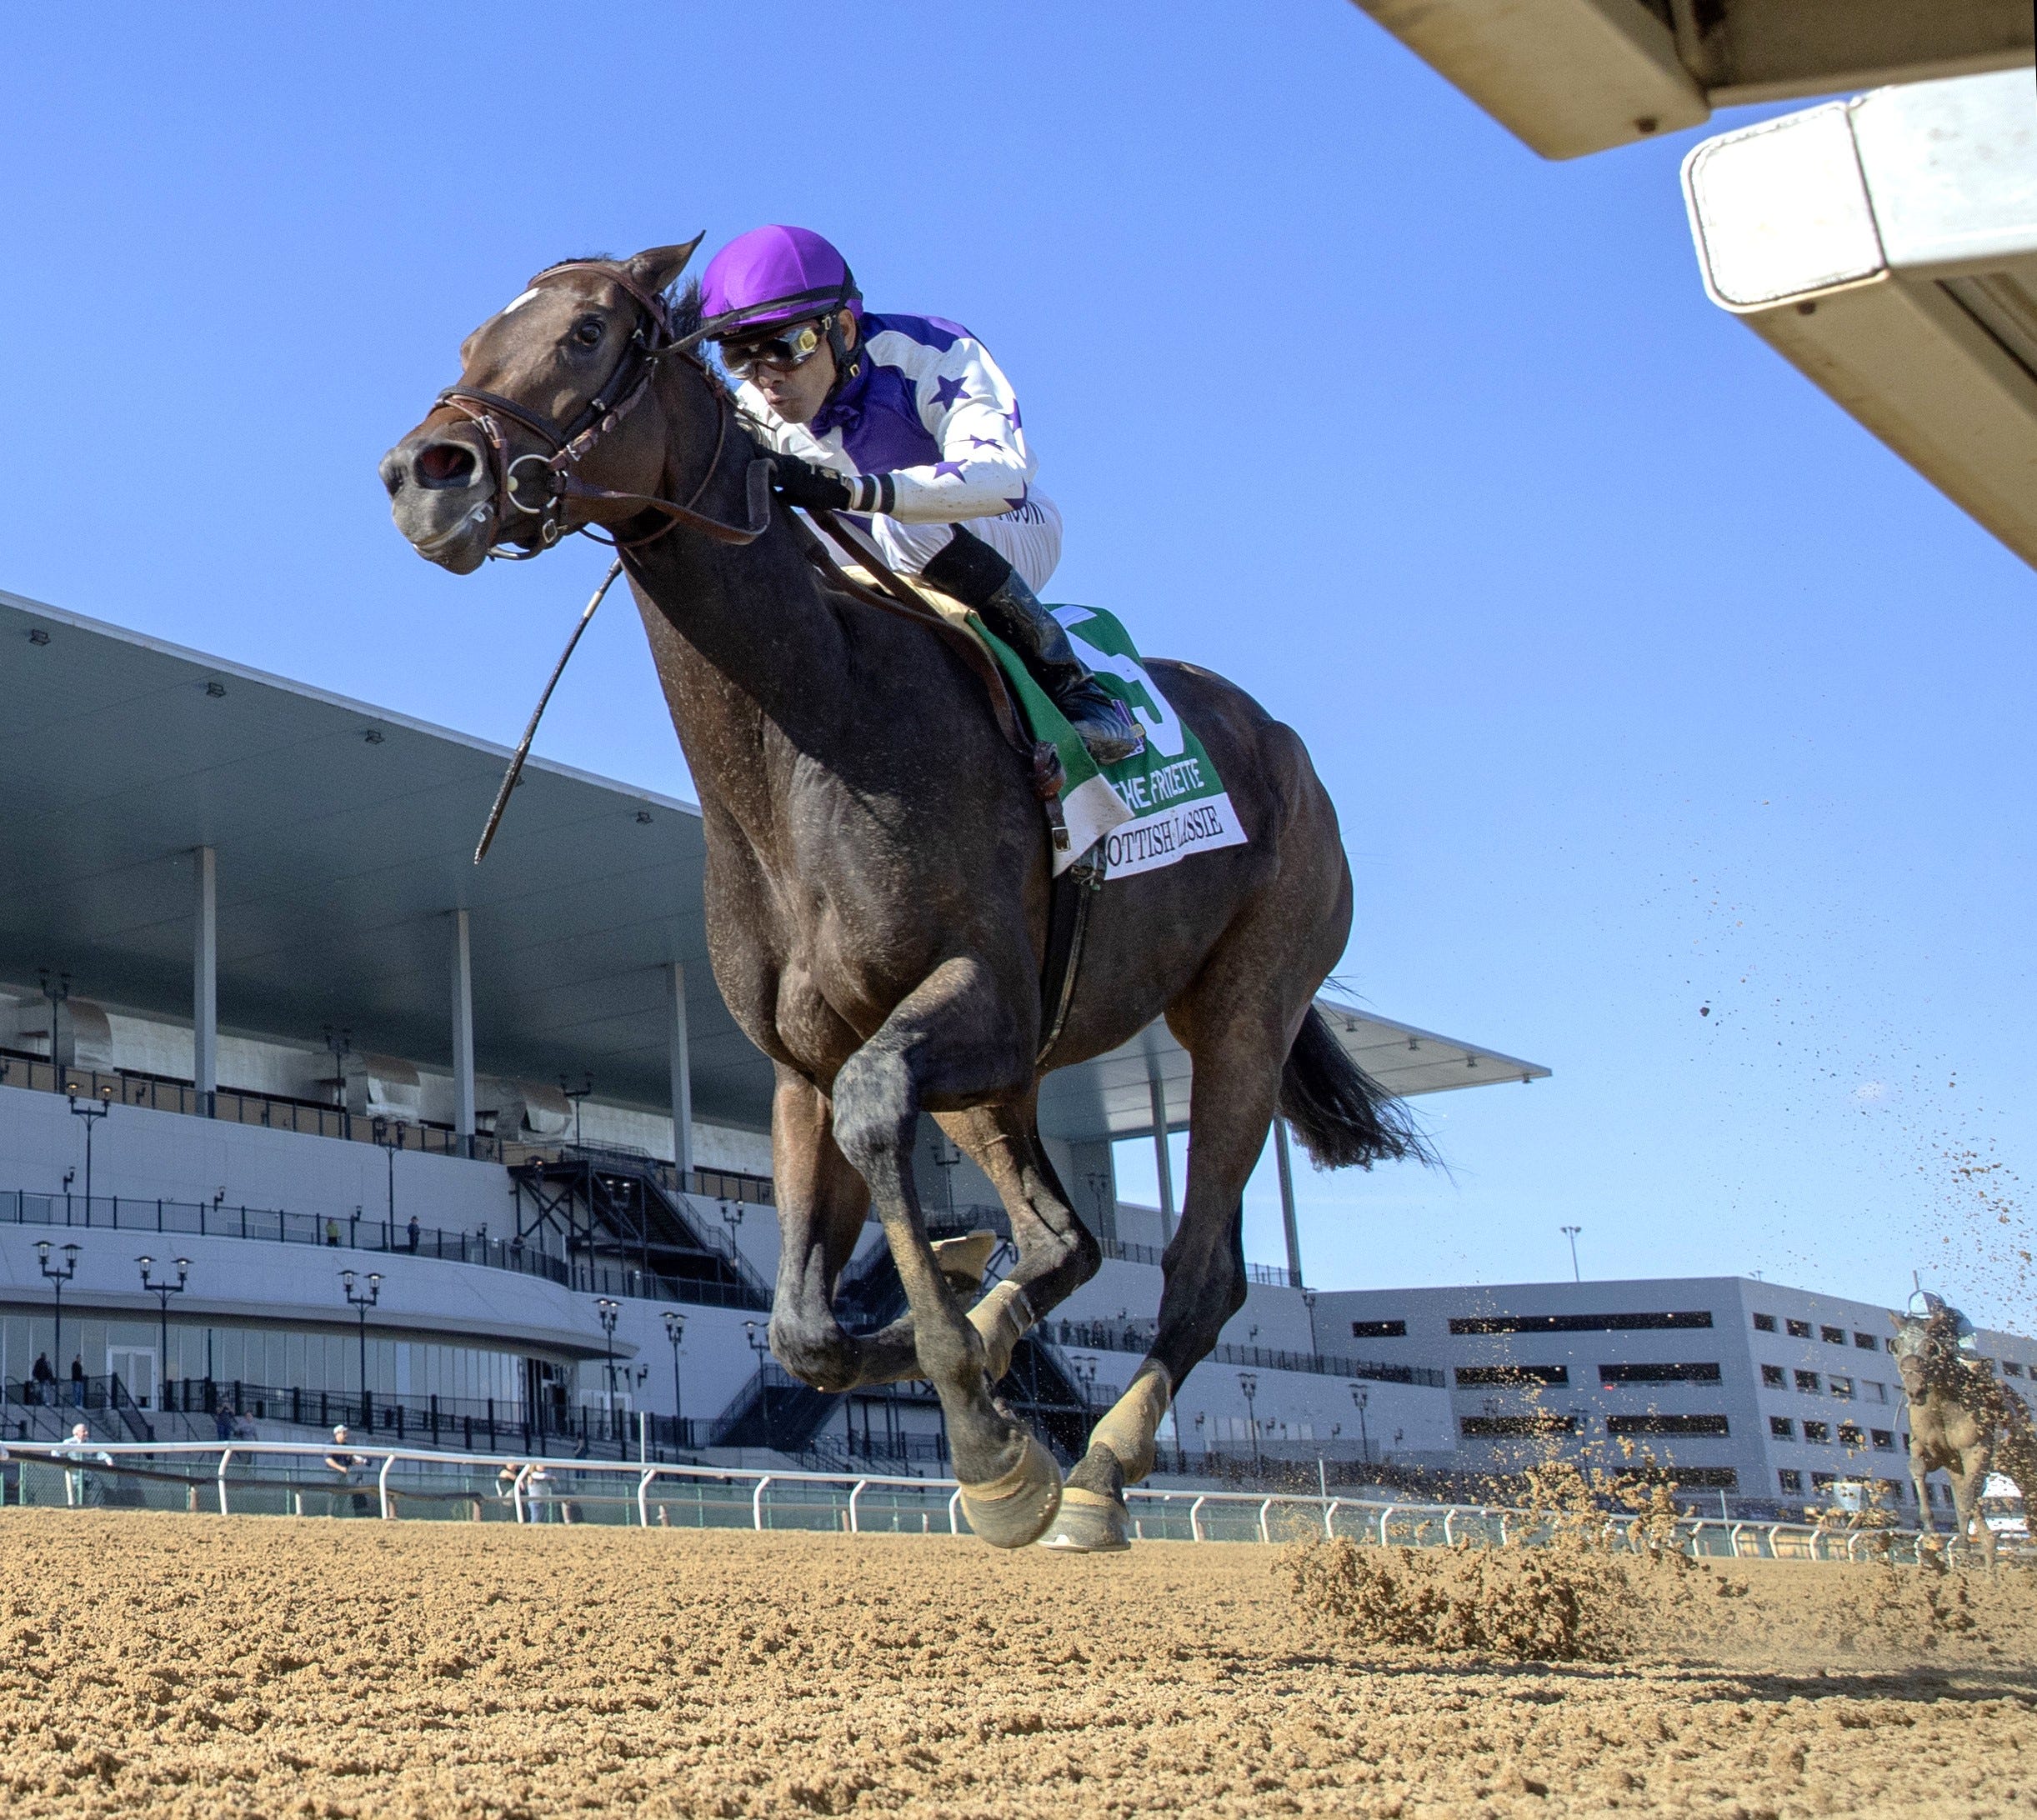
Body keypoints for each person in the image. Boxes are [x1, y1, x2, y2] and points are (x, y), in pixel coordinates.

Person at [699, 225, 1141, 766]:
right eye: (740, 358)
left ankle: (1077, 689)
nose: (766, 378)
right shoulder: (752, 411)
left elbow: (1004, 477)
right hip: (880, 562)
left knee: (902, 524)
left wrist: (855, 491)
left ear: (841, 328)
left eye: (785, 348)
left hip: (1004, 528)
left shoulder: (934, 350)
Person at [57, 1421, 112, 1508]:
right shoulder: (69, 1442)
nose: (86, 1433)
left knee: (86, 1498)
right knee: (72, 1498)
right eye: (84, 1431)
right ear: (76, 1433)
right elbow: (56, 1450)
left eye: (86, 1431)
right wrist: (57, 1460)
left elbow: (98, 1452)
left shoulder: (89, 1442)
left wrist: (108, 1459)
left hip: (87, 1476)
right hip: (73, 1476)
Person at [325, 1423, 373, 1518]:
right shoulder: (330, 1444)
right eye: (344, 1433)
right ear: (337, 1433)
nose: (346, 1435)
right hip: (333, 1475)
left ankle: (339, 1516)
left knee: (343, 1496)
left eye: (346, 1433)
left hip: (343, 1475)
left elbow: (350, 1460)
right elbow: (328, 1460)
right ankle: (330, 1516)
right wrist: (340, 1468)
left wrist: (362, 1461)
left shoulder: (346, 1446)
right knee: (333, 1496)